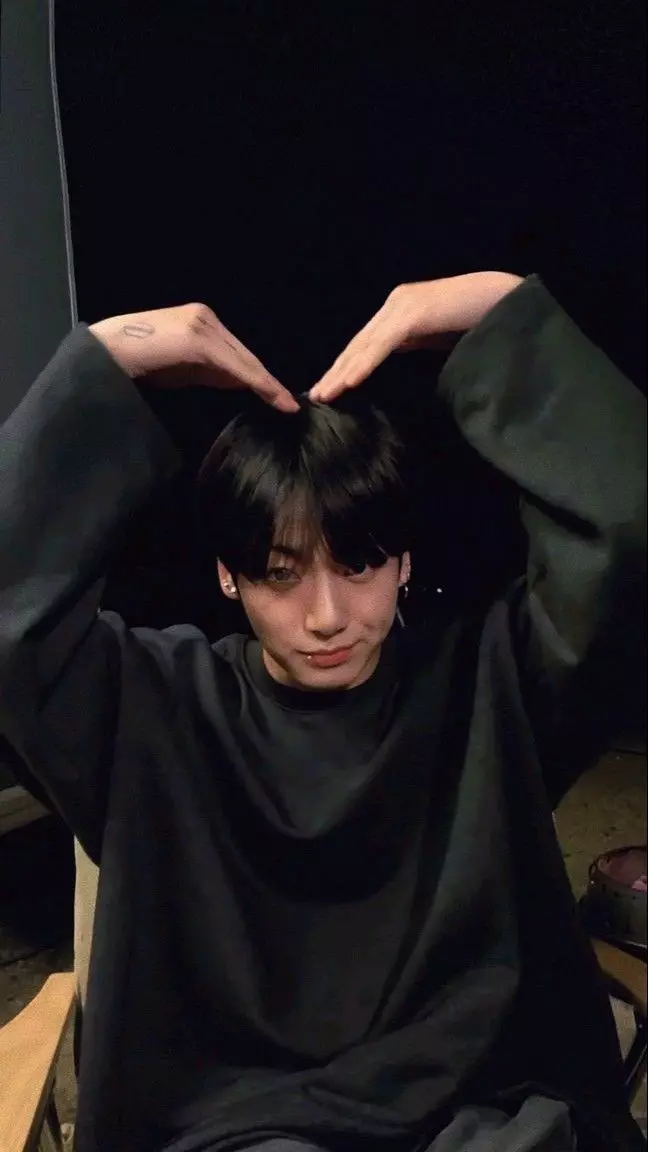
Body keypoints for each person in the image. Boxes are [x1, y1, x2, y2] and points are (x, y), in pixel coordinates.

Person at [0, 272, 645, 1152]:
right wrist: (106, 360)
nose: (327, 616)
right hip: (240, 1128)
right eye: (280, 573)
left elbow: (629, 536)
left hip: (473, 1113)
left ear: (405, 562)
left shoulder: (490, 684)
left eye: (359, 563)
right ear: (228, 576)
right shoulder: (149, 710)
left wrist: (500, 314)